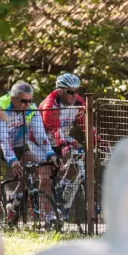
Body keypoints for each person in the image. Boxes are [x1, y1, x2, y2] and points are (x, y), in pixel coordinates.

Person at [0, 81, 58, 225]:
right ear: (13, 99)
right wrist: (12, 160)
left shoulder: (32, 109)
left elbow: (41, 136)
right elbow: (3, 140)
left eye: (30, 101)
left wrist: (50, 154)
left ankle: (23, 202)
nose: (27, 104)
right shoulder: (0, 108)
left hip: (17, 144)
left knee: (42, 168)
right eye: (24, 101)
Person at [39, 73, 87, 212]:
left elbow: (87, 126)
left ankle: (62, 186)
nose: (75, 95)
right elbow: (55, 129)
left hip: (61, 136)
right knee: (46, 178)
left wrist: (98, 141)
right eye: (70, 92)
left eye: (77, 91)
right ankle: (45, 213)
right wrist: (63, 146)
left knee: (80, 152)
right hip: (42, 139)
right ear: (60, 91)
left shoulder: (79, 102)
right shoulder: (50, 104)